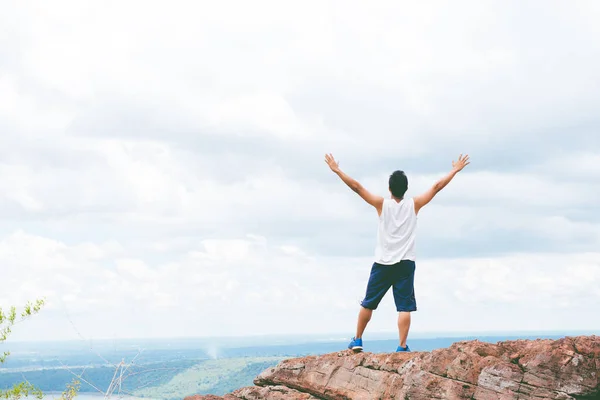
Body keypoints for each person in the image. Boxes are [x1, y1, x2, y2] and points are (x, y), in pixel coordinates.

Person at [324, 153, 470, 352]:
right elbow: (436, 187)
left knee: (368, 303)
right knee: (404, 307)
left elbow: (357, 188)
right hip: (405, 263)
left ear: (389, 188)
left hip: (383, 262)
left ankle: (357, 340)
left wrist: (337, 170)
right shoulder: (414, 204)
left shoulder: (381, 204)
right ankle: (402, 346)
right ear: (406, 189)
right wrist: (455, 169)